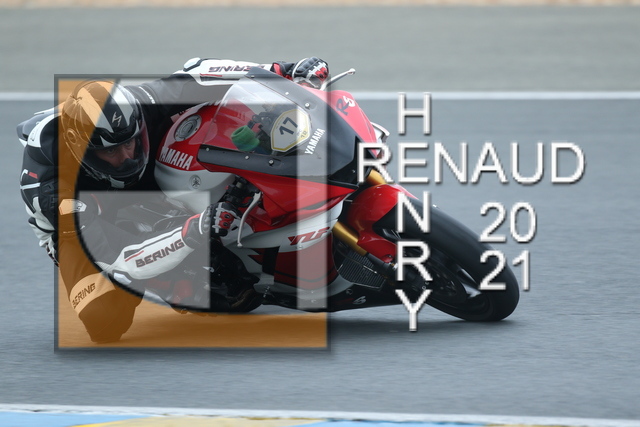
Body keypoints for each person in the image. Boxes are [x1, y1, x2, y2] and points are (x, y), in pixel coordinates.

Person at [18, 57, 330, 343]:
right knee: (105, 320)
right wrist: (193, 230)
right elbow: (117, 258)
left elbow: (198, 73)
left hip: (143, 182)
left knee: (209, 124)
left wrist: (282, 71)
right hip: (85, 228)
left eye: (130, 143)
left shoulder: (137, 106)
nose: (126, 157)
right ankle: (175, 279)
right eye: (111, 151)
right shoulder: (50, 188)